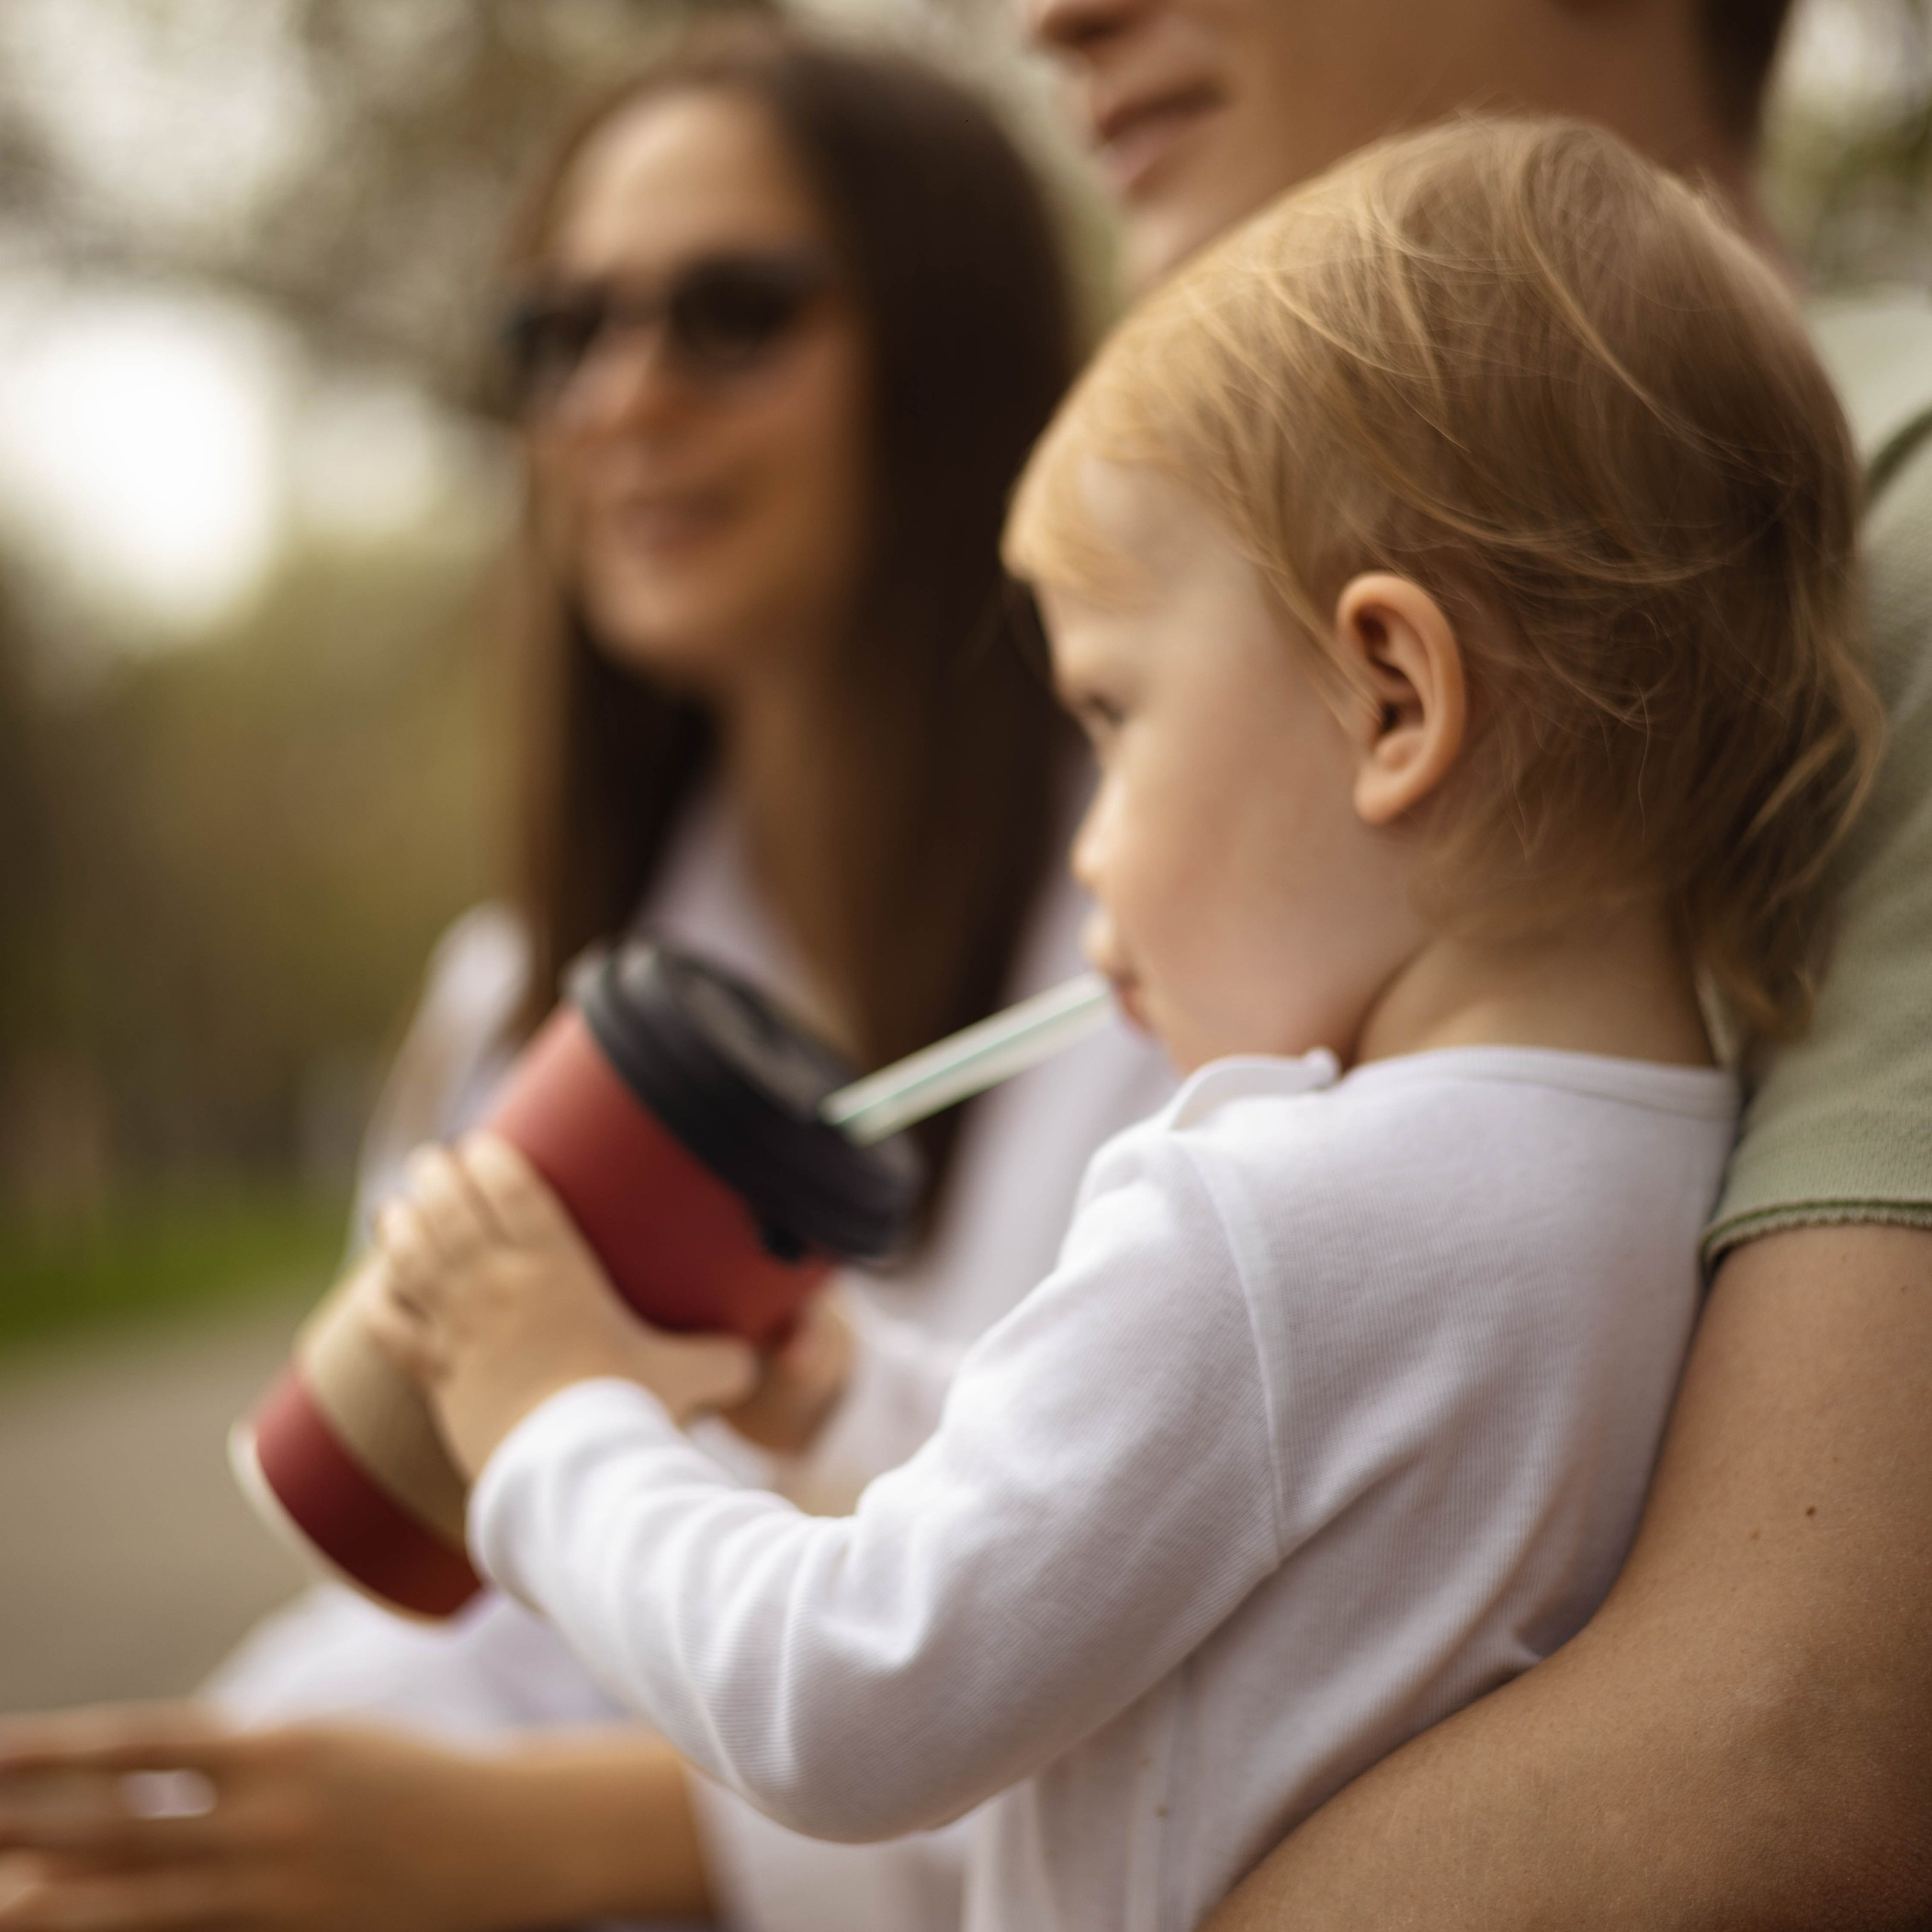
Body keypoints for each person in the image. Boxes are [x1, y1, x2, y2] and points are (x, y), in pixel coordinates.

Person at [359, 118, 1878, 1931]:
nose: (1088, 840)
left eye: (1112, 714)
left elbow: (843, 1698)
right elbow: (1184, 1496)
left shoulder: (1258, 1209)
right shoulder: (1678, 1169)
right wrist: (853, 1399)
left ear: (1392, 699)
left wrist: (546, 1418)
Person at [0, 23, 1171, 1932]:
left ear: (950, 354)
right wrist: (164, 1812)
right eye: (562, 330)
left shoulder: (1172, 945)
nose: (622, 396)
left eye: (731, 313)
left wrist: (536, 1840)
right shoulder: (504, 1001)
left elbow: (1209, 1694)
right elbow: (449, 1621)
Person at [1014, 0, 1932, 1923]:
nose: (1051, 18)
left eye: (1109, 718)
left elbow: (1786, 1742)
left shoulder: (1906, 518)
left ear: (1398, 694)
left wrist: (562, 1454)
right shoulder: (1245, 719)